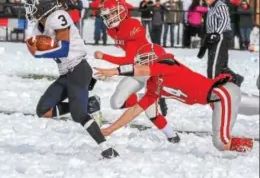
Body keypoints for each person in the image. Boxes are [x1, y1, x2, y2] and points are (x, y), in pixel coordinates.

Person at [95, 43, 254, 153]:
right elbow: (136, 110)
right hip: (218, 99)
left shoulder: (168, 64)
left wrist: (115, 71)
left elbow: (142, 70)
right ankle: (251, 147)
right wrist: (111, 129)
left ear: (152, 59)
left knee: (221, 141)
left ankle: (252, 149)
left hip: (222, 93)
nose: (141, 65)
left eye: (143, 61)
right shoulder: (153, 86)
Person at [24, 0, 118, 159]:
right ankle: (88, 103)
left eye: (32, 5)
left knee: (78, 115)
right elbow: (43, 43)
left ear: (42, 6)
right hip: (66, 73)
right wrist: (35, 45)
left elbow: (64, 49)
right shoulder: (40, 26)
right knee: (43, 110)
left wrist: (39, 52)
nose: (29, 9)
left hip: (79, 69)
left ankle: (108, 149)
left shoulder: (57, 17)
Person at [93, 0, 177, 141]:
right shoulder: (113, 30)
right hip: (136, 68)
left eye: (111, 14)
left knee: (152, 113)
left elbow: (129, 59)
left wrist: (103, 56)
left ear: (121, 11)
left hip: (149, 67)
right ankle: (151, 100)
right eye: (107, 15)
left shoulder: (132, 25)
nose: (109, 18)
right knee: (116, 103)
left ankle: (172, 136)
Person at [198, 0, 244, 86]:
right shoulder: (210, 7)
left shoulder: (220, 5)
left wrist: (216, 34)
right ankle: (236, 79)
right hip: (214, 38)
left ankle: (212, 87)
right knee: (221, 65)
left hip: (220, 36)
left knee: (214, 64)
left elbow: (224, 20)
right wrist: (204, 44)